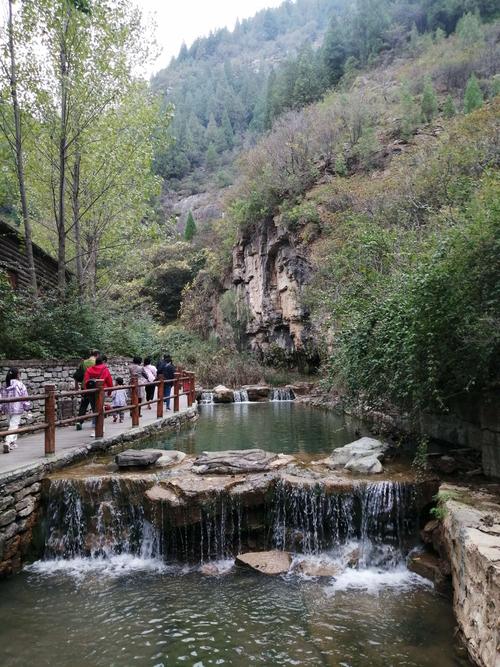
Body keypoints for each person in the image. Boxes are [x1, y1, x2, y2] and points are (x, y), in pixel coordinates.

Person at [1, 368, 31, 454]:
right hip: (17, 408)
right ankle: (7, 442)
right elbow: (25, 397)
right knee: (14, 426)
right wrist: (27, 407)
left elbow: (1, 397)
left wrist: (1, 408)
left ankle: (12, 443)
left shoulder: (4, 385)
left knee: (11, 425)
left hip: (7, 408)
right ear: (17, 375)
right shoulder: (20, 384)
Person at [82, 356, 113, 436]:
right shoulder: (105, 369)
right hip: (101, 392)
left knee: (94, 409)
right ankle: (97, 428)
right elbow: (109, 381)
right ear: (102, 362)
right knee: (100, 408)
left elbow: (86, 381)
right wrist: (110, 391)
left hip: (91, 392)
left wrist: (87, 391)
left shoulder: (89, 370)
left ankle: (96, 428)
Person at [75, 350, 99, 430]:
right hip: (94, 386)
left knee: (83, 404)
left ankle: (79, 422)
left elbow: (77, 374)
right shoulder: (97, 362)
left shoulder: (83, 362)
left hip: (84, 386)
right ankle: (96, 423)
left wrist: (76, 386)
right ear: (97, 355)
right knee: (95, 405)